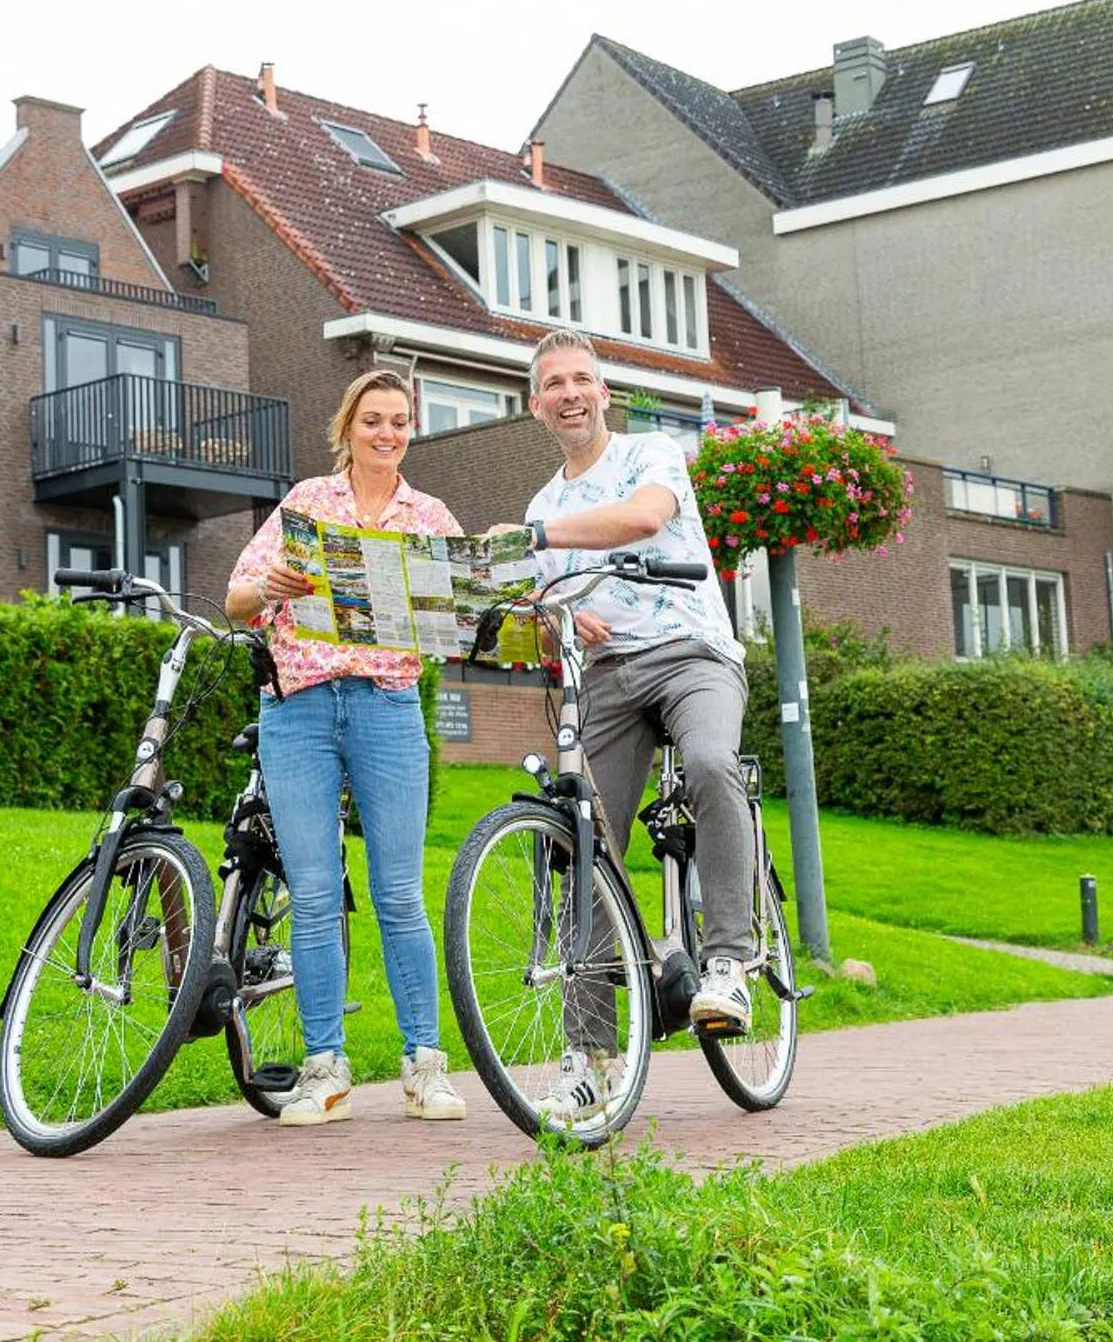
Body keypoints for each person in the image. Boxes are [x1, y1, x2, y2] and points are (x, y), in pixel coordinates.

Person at [510, 329, 754, 1124]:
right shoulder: (541, 504)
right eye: (556, 383)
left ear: (604, 392)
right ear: (536, 404)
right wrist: (554, 622)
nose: (572, 393)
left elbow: (644, 519)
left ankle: (727, 961)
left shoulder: (654, 453)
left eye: (584, 378)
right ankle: (592, 1054)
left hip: (691, 651)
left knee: (714, 764)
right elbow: (546, 618)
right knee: (574, 836)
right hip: (607, 678)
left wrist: (541, 543)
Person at [226, 369, 465, 1125]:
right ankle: (324, 1068)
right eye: (372, 421)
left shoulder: (428, 514)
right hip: (297, 711)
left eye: (399, 421)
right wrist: (275, 584)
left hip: (387, 709)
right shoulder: (305, 502)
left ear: (410, 431)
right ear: (348, 428)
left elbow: (464, 616)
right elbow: (235, 598)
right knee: (318, 894)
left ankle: (425, 1064)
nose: (386, 433)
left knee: (398, 893)